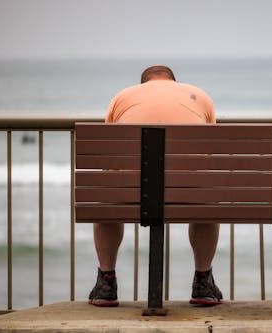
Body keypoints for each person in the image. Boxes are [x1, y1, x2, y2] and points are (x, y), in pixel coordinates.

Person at [88, 65, 222, 307]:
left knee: (107, 197)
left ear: (144, 84)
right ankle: (202, 281)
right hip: (186, 192)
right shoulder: (200, 97)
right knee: (207, 201)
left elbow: (109, 152)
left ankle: (106, 282)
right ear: (173, 82)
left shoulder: (122, 97)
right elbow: (209, 151)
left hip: (133, 191)